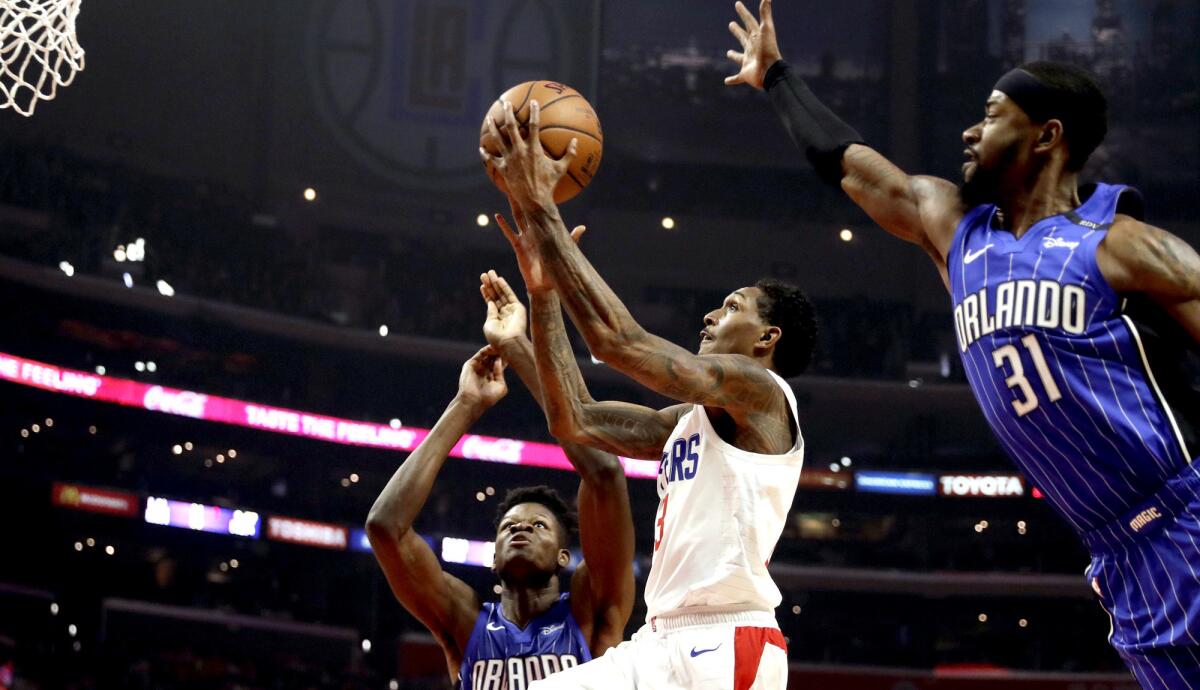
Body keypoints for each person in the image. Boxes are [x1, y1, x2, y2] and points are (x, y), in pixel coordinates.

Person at [724, 1, 1200, 685]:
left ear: (1046, 135)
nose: (971, 131)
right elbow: (849, 167)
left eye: (993, 113)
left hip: (1186, 514)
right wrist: (776, 78)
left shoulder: (1122, 245)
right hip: (1118, 556)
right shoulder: (955, 231)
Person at [478, 97, 817, 689]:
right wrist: (543, 293)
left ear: (768, 336)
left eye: (732, 306)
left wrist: (542, 210)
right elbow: (575, 420)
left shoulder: (762, 393)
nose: (711, 316)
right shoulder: (689, 421)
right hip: (658, 642)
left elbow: (620, 343)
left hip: (728, 641)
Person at [365, 289, 636, 690]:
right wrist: (465, 405)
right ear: (493, 557)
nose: (520, 529)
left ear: (564, 556)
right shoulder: (465, 621)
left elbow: (604, 472)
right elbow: (385, 526)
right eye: (509, 527)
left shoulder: (588, 609)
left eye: (539, 526)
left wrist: (516, 348)